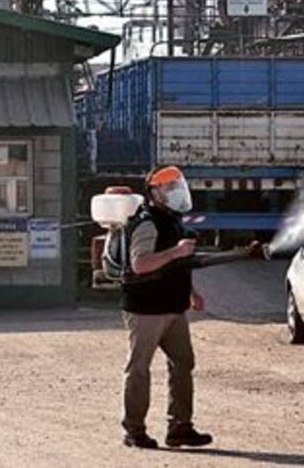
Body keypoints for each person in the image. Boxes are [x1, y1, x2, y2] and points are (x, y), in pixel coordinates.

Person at [120, 165, 214, 450]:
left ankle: (180, 428)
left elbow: (177, 265)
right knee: (139, 369)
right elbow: (140, 264)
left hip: (173, 307)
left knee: (183, 363)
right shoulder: (148, 223)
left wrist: (192, 292)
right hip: (146, 309)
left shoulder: (172, 220)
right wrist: (177, 251)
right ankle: (134, 431)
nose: (174, 192)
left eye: (176, 185)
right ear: (153, 192)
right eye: (167, 187)